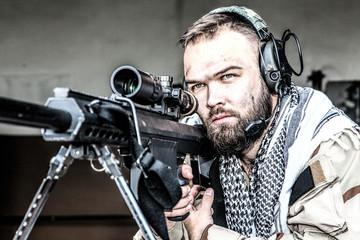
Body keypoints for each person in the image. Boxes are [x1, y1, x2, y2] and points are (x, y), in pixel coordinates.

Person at [134, 5, 360, 240]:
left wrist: (206, 235)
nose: (212, 100)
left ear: (270, 73)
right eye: (198, 86)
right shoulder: (194, 148)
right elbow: (182, 227)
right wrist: (161, 224)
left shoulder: (330, 146)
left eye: (228, 76)